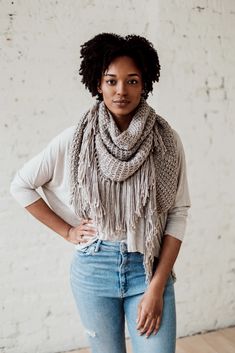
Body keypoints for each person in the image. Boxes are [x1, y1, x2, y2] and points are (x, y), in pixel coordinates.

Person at [10, 33, 191, 353]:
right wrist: (67, 230)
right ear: (98, 84)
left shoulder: (166, 141)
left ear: (144, 84)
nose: (121, 90)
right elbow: (21, 185)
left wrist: (156, 287)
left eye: (132, 81)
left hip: (147, 269)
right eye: (112, 81)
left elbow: (176, 213)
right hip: (94, 269)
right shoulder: (74, 140)